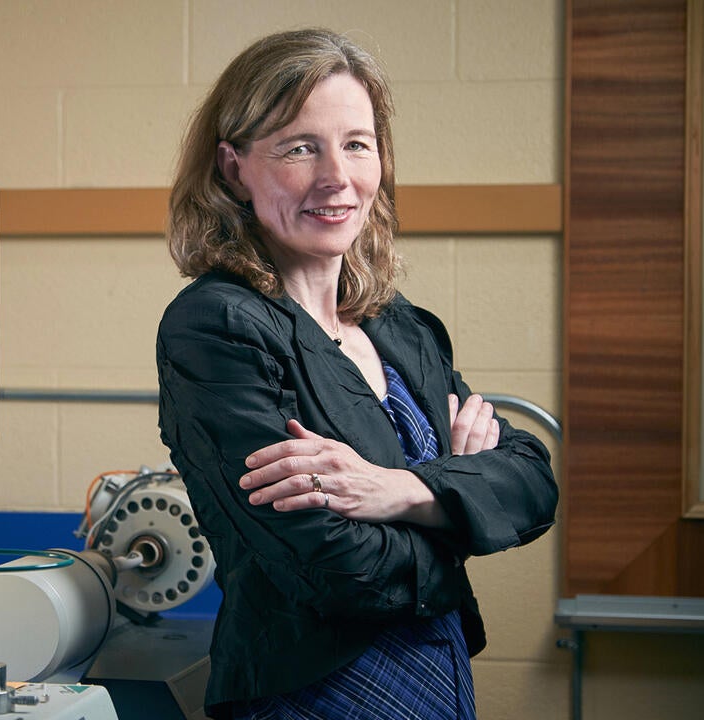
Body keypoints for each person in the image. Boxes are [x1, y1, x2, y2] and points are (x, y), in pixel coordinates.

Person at [155, 28, 559, 720]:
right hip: (313, 694)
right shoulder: (217, 327)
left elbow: (531, 479)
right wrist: (463, 518)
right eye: (299, 147)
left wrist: (396, 490)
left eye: (356, 143)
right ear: (233, 168)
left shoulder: (400, 325)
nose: (336, 177)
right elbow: (335, 569)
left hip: (438, 676)